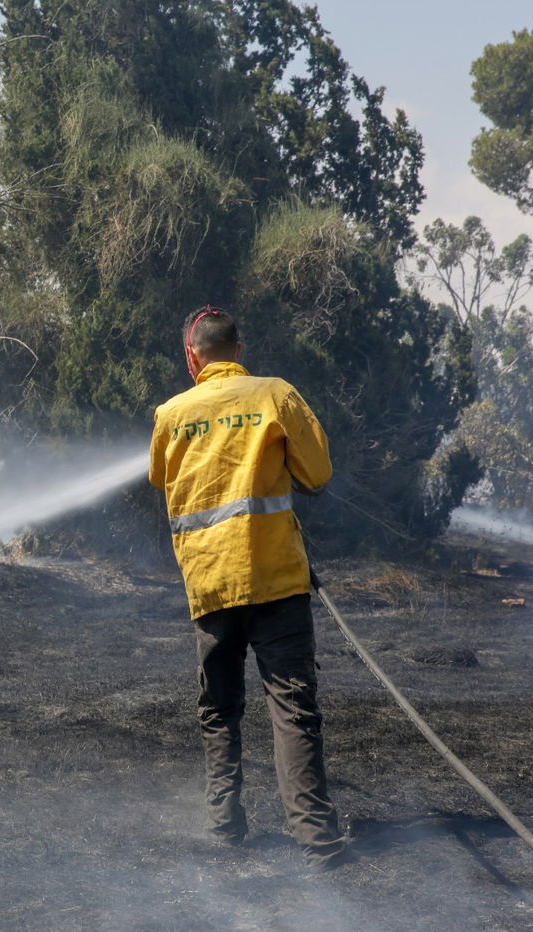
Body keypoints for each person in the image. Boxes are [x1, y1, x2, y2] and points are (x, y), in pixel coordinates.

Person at [148, 306, 349, 870]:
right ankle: (318, 841)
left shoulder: (170, 413)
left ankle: (224, 828)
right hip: (278, 584)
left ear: (193, 357)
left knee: (218, 708)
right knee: (293, 710)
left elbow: (161, 477)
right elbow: (317, 475)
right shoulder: (276, 395)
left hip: (210, 587)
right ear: (240, 349)